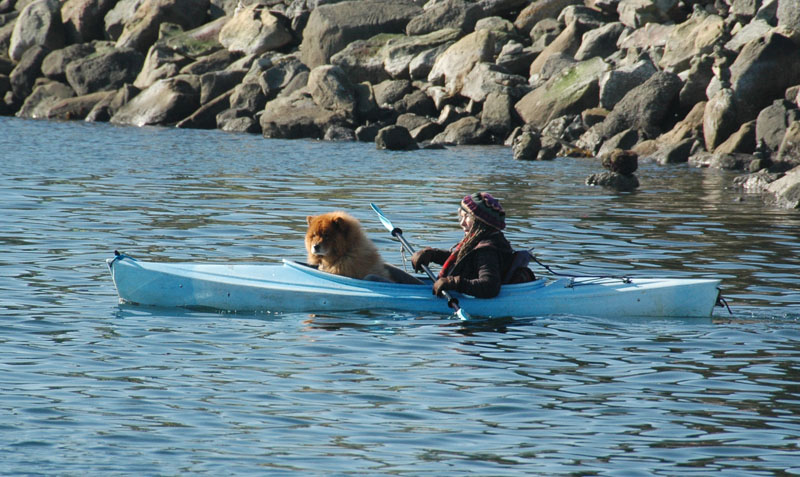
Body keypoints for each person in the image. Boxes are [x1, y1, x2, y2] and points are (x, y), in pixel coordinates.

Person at [411, 192, 534, 299]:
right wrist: (432, 255)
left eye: (467, 218)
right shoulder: (487, 239)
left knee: (391, 274)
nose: (462, 223)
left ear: (481, 224)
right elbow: (464, 261)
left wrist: (454, 282)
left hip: (478, 305)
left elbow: (489, 286)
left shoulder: (486, 250)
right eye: (461, 216)